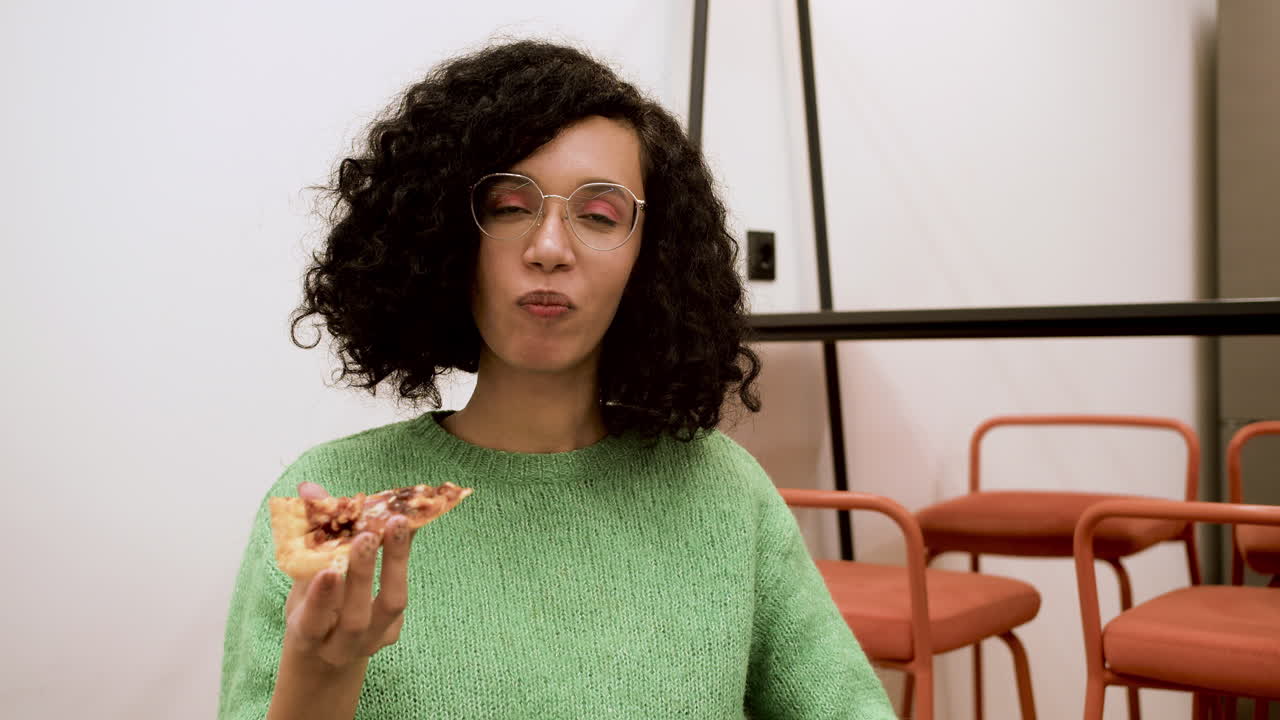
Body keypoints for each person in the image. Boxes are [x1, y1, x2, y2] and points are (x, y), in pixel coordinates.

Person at [218, 39, 894, 720]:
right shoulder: (334, 506)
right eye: (511, 206)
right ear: (449, 235)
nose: (549, 248)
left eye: (599, 216)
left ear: (651, 259)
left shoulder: (720, 494)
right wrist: (318, 678)